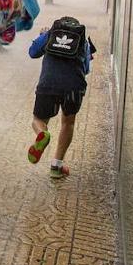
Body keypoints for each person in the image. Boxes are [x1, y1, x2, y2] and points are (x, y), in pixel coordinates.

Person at [26, 16, 96, 178]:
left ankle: (42, 134)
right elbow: (86, 69)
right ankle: (56, 167)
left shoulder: (50, 34)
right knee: (68, 123)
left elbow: (32, 52)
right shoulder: (83, 41)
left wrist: (42, 35)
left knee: (39, 120)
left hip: (48, 84)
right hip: (74, 87)